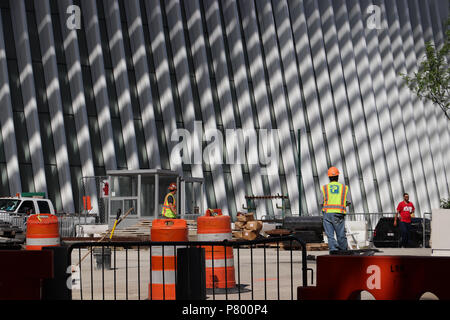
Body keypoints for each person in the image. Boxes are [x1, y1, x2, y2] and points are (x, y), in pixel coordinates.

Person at [321, 167, 351, 252]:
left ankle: (333, 250)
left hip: (327, 214)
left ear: (329, 177)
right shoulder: (344, 188)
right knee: (340, 234)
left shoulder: (325, 188)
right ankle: (343, 251)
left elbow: (321, 202)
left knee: (330, 235)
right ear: (337, 177)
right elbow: (348, 202)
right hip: (338, 214)